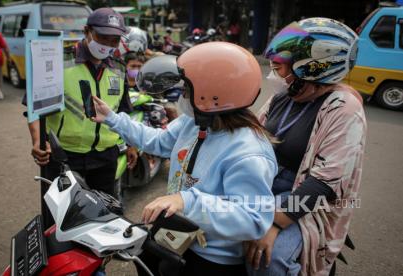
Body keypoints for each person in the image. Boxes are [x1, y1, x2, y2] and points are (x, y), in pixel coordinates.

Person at [90, 42, 277, 275]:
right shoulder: (195, 122)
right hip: (176, 235)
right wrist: (113, 119)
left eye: (187, 90)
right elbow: (159, 142)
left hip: (212, 258)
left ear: (214, 93)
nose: (182, 96)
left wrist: (187, 201)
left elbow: (253, 219)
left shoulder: (248, 152)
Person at [245, 18, 367, 275]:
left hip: (303, 202)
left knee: (266, 259)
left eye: (280, 68)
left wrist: (275, 225)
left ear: (311, 68)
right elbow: (249, 135)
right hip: (262, 186)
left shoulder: (344, 109)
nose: (274, 75)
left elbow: (324, 183)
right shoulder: (285, 96)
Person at [29, 8, 136, 200]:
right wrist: (38, 141)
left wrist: (131, 144)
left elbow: (123, 111)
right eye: (103, 37)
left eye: (115, 40)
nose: (108, 45)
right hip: (64, 157)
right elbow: (34, 109)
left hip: (105, 157)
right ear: (87, 31)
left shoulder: (119, 68)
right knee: (61, 215)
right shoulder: (57, 61)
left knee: (104, 212)